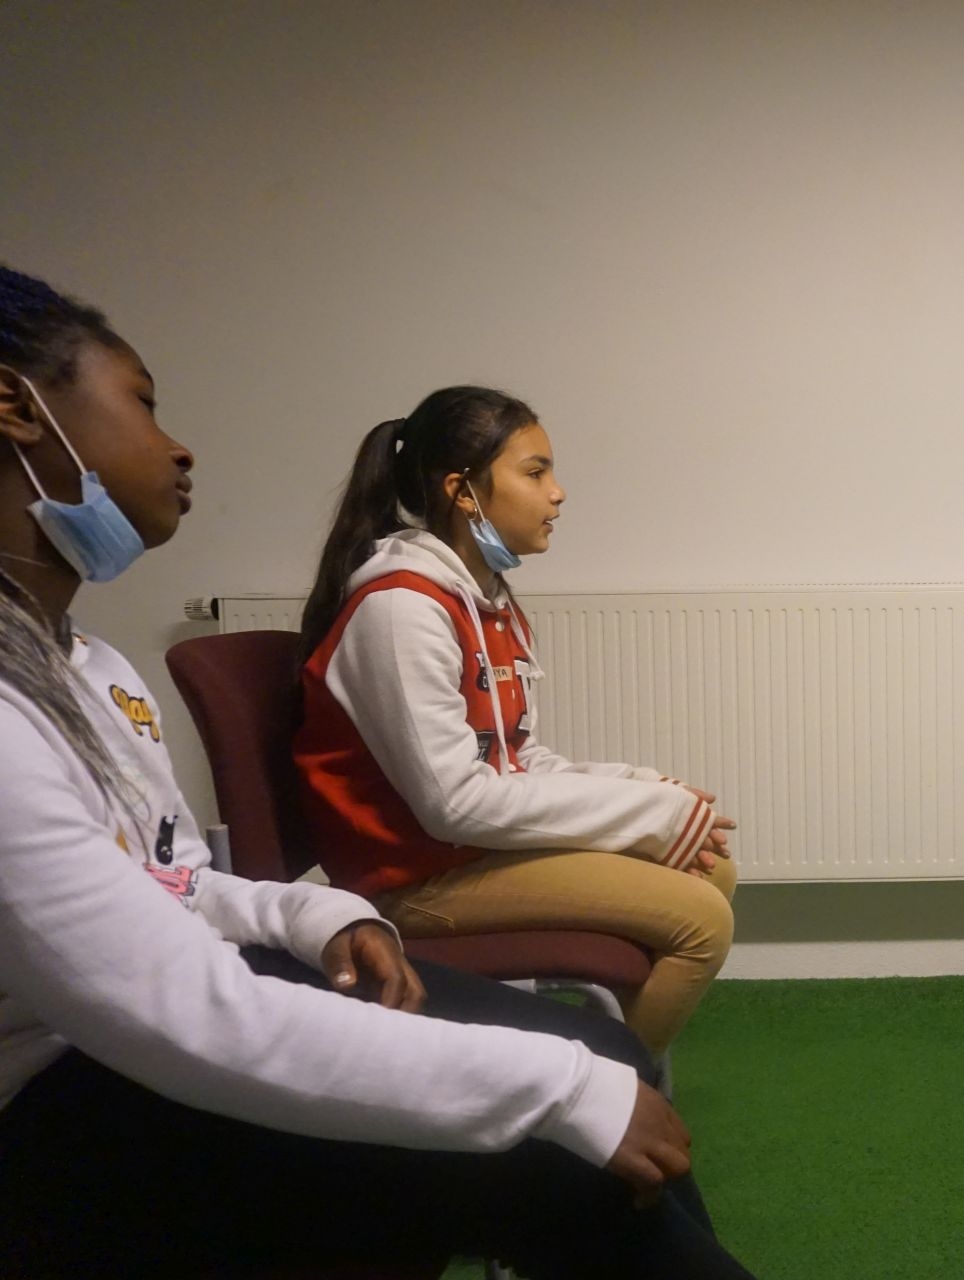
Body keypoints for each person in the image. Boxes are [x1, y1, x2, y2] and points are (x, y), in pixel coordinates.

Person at [0, 264, 757, 1276]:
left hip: (168, 1009)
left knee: (597, 1068)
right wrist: (556, 1088)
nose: (179, 446)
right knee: (558, 1133)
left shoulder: (88, 666)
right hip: (59, 1091)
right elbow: (176, 1002)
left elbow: (166, 880)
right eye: (143, 402)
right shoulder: (401, 601)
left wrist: (307, 913)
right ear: (17, 405)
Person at [294, 387, 738, 1057]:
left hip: (464, 853)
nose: (557, 493)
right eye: (535, 472)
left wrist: (641, 787)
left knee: (713, 868)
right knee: (702, 918)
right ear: (463, 492)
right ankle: (601, 1094)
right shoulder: (400, 611)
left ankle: (599, 1070)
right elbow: (455, 805)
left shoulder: (483, 602)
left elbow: (516, 759)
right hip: (408, 881)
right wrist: (649, 817)